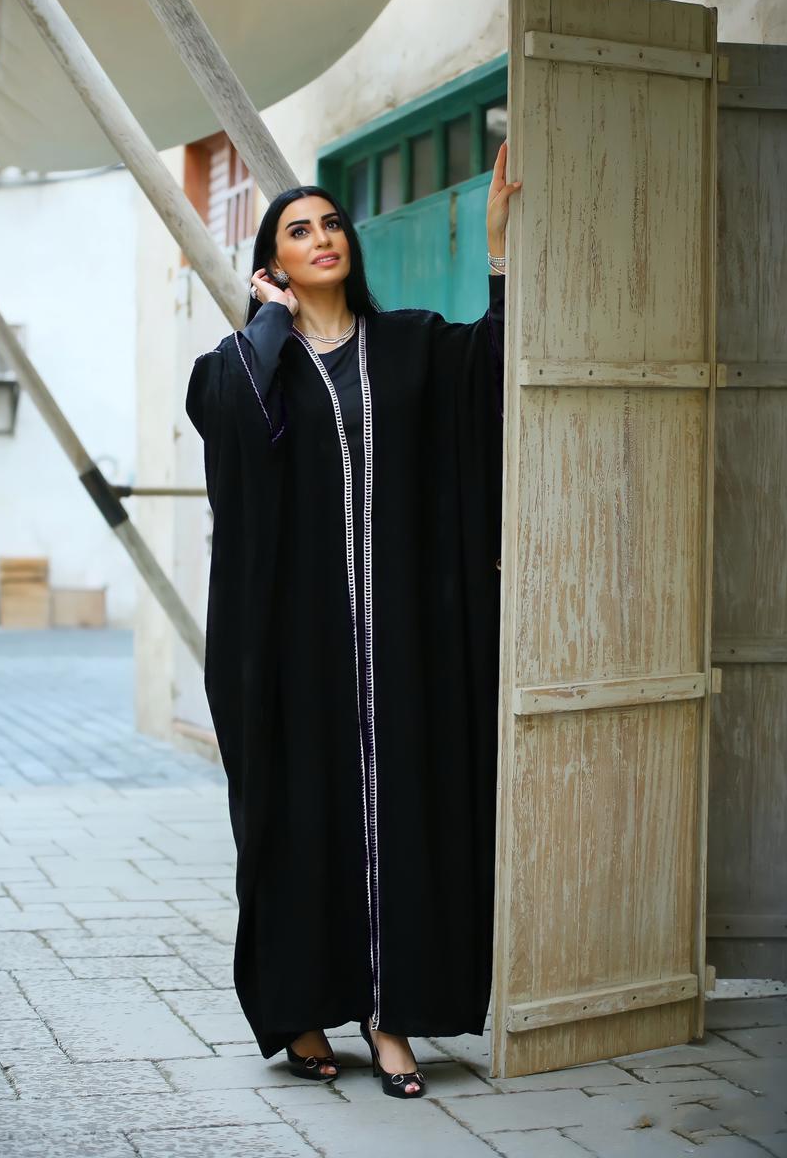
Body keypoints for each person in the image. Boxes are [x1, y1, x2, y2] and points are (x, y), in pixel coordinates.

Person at [186, 141, 521, 1099]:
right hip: (294, 652)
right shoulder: (247, 364)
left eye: (332, 223)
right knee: (298, 823)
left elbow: (497, 374)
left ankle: (390, 1017)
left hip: (403, 642)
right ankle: (300, 1008)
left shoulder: (412, 343)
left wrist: (498, 249)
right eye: (299, 231)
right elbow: (227, 415)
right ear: (274, 261)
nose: (323, 237)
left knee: (404, 819)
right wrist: (268, 319)